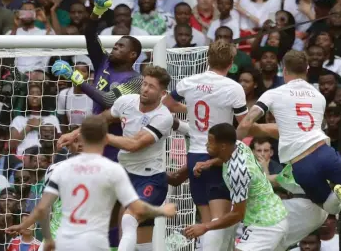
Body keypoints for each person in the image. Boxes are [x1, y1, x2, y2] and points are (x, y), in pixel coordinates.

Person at [237, 50, 341, 233]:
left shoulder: (273, 94)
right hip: (323, 151)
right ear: (306, 69)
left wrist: (236, 138)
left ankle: (336, 193)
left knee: (331, 208)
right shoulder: (318, 96)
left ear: (284, 69)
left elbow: (248, 122)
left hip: (301, 165)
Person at [6, 115, 176, 251]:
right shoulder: (113, 171)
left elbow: (43, 209)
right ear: (104, 140)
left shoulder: (58, 169)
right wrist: (161, 210)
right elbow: (137, 208)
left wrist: (27, 227)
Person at [163, 40, 248, 251]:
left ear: (207, 59)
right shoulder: (233, 88)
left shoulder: (190, 81)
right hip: (218, 157)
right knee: (217, 222)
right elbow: (245, 123)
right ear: (231, 62)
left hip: (194, 156)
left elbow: (168, 104)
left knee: (206, 221)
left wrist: (190, 108)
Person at [52, 0, 143, 161]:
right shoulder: (104, 61)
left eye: (121, 46)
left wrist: (75, 77)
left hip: (119, 143)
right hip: (96, 135)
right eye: (115, 45)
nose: (115, 47)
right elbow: (89, 35)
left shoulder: (136, 80)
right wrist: (96, 12)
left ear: (132, 55)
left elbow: (108, 100)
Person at [97, 66, 174, 251]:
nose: (145, 89)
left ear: (162, 93)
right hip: (123, 173)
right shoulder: (126, 102)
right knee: (141, 236)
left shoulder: (163, 117)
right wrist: (76, 133)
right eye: (144, 84)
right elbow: (102, 119)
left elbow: (134, 145)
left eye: (152, 87)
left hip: (150, 179)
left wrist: (104, 137)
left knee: (129, 220)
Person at [184, 123, 288, 251]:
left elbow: (237, 214)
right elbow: (224, 158)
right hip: (272, 215)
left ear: (222, 146)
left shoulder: (238, 172)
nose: (206, 145)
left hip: (266, 224)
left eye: (210, 142)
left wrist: (205, 227)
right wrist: (209, 162)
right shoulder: (239, 145)